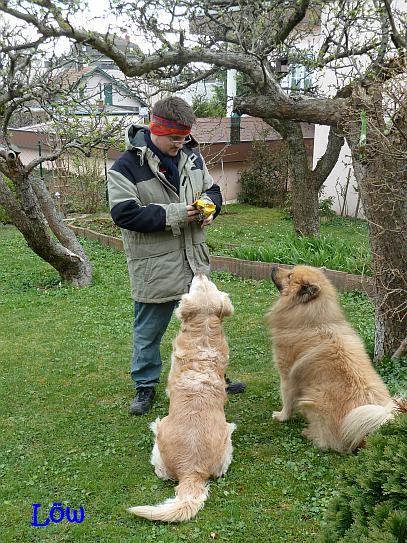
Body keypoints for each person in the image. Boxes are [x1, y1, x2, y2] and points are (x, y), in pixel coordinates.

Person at [108, 96, 246, 415]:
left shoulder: (191, 156)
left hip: (194, 262)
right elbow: (124, 214)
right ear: (156, 129)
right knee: (148, 331)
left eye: (184, 137)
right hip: (154, 268)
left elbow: (212, 191)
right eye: (175, 138)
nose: (181, 143)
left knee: (208, 326)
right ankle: (145, 387)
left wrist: (210, 209)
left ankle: (215, 376)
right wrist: (178, 214)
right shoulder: (126, 166)